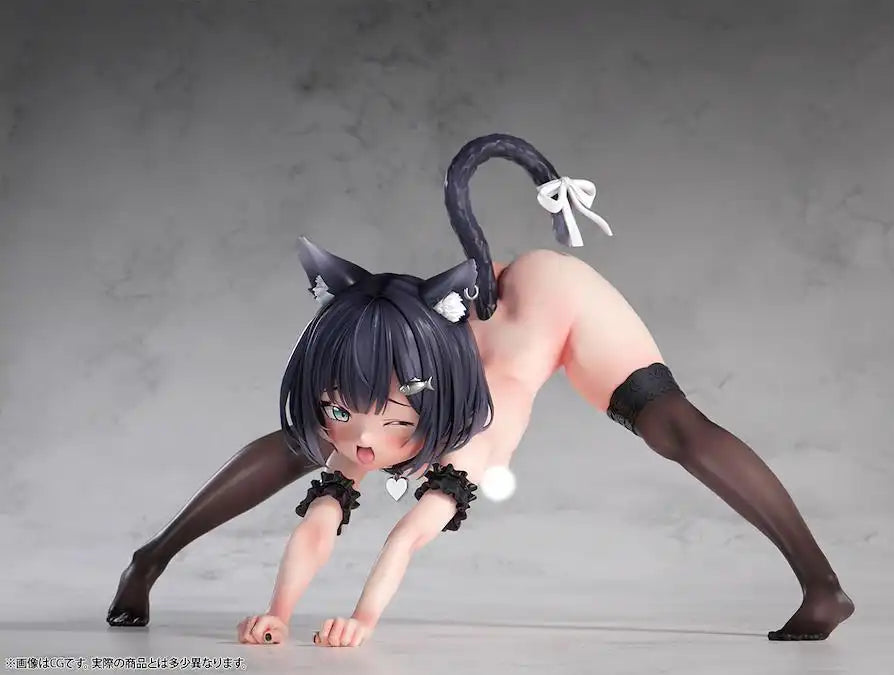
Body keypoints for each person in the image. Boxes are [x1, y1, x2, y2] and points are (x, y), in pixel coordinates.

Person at [108, 134, 854, 647]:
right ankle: (152, 557)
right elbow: (322, 517)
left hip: (555, 305)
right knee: (318, 435)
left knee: (672, 425)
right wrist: (279, 611)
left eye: (384, 428)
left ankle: (822, 584)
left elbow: (406, 538)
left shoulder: (469, 438)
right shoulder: (388, 390)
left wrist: (360, 621)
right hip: (455, 318)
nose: (360, 446)